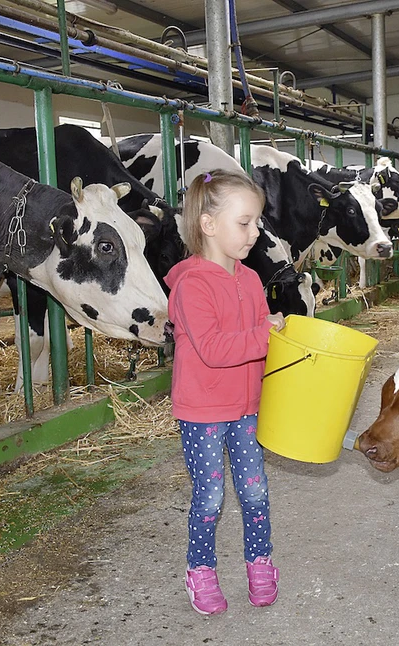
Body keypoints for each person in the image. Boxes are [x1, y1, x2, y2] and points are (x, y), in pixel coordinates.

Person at [164, 169, 285, 615]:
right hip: (202, 410)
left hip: (247, 406)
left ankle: (259, 562)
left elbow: (261, 339)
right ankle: (201, 570)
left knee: (255, 492)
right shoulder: (192, 285)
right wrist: (266, 336)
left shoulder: (251, 279)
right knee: (211, 496)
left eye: (257, 223)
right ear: (208, 224)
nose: (255, 233)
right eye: (245, 222)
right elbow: (214, 350)